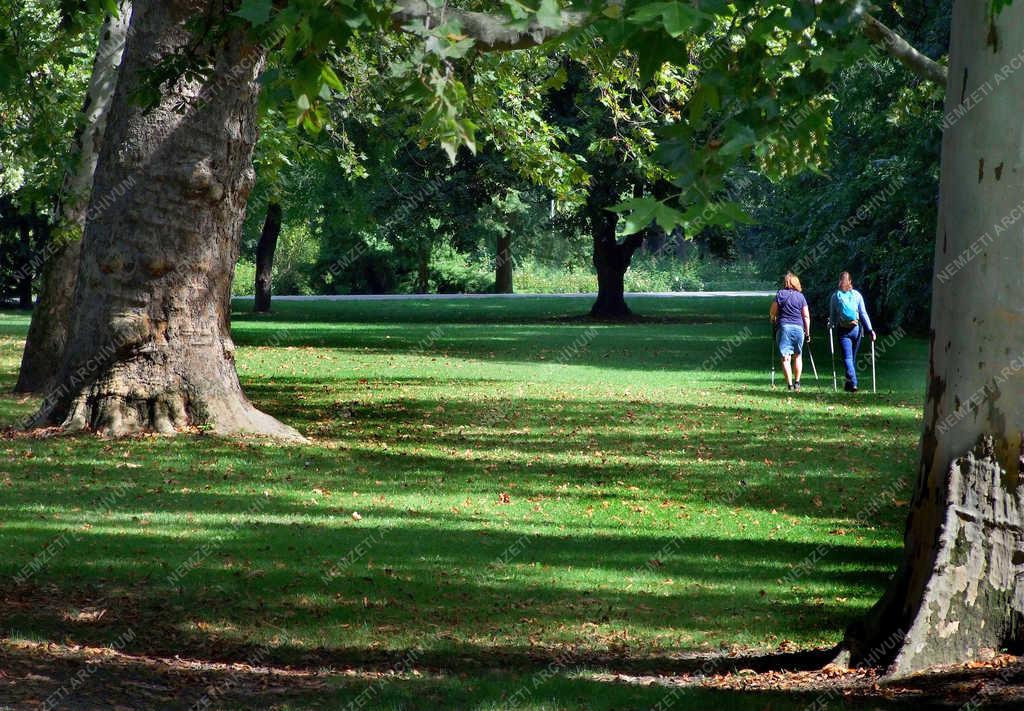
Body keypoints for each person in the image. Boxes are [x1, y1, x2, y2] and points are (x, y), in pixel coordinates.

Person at [829, 271, 876, 392]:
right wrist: (870, 330)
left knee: (848, 358)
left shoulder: (835, 296)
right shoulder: (857, 295)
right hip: (856, 330)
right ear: (850, 281)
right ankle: (848, 384)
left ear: (839, 281)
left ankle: (853, 383)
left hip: (843, 330)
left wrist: (831, 324)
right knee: (851, 358)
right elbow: (863, 313)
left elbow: (833, 316)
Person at [769, 272, 811, 391]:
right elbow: (806, 317)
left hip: (784, 328)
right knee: (798, 356)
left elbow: (772, 312)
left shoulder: (780, 294)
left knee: (786, 358)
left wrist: (773, 320)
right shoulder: (801, 297)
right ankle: (797, 382)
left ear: (786, 283)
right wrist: (807, 333)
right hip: (799, 328)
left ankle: (790, 385)